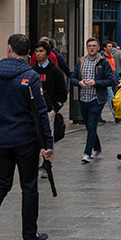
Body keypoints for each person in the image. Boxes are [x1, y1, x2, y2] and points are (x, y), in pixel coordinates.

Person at [0, 33, 53, 240]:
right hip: (26, 140)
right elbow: (41, 112)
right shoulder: (31, 76)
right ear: (28, 54)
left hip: (1, 139)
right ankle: (29, 234)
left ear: (8, 49)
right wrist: (48, 143)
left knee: (1, 184)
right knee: (29, 187)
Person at [71, 37, 114, 163]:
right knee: (90, 126)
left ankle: (87, 153)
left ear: (98, 48)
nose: (91, 48)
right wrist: (79, 82)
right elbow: (72, 77)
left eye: (94, 46)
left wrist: (96, 82)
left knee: (91, 124)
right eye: (89, 45)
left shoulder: (103, 62)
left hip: (97, 99)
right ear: (86, 47)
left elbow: (110, 80)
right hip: (83, 98)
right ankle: (98, 147)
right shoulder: (81, 61)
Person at [32, 40, 67, 176]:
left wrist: (56, 106)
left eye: (41, 51)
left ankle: (47, 163)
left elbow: (62, 91)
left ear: (47, 53)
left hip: (49, 109)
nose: (38, 54)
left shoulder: (55, 71)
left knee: (48, 136)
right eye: (36, 51)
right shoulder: (33, 70)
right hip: (34, 109)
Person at [101, 41, 120, 123]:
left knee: (105, 99)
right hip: (105, 80)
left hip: (111, 79)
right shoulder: (102, 57)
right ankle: (116, 116)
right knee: (111, 97)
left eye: (111, 46)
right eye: (109, 46)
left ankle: (97, 114)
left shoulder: (112, 56)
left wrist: (117, 78)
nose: (111, 48)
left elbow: (114, 68)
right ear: (104, 48)